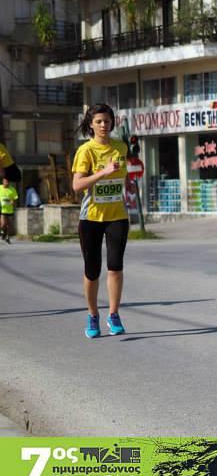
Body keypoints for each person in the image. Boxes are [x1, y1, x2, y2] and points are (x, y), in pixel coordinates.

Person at [72, 103, 130, 338]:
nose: (104, 125)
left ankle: (114, 314)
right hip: (91, 218)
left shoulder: (121, 147)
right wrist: (102, 172)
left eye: (107, 121)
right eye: (98, 121)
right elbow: (77, 185)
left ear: (112, 122)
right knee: (92, 270)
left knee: (115, 267)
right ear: (91, 125)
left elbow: (122, 178)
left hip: (117, 216)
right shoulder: (85, 150)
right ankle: (93, 315)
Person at [0, 176, 17, 244]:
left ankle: (7, 237)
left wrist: (12, 202)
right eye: (5, 182)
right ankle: (2, 232)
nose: (6, 183)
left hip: (9, 210)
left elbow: (15, 200)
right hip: (2, 209)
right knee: (3, 224)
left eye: (7, 182)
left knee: (8, 224)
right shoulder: (0, 188)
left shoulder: (12, 189)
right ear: (3, 181)